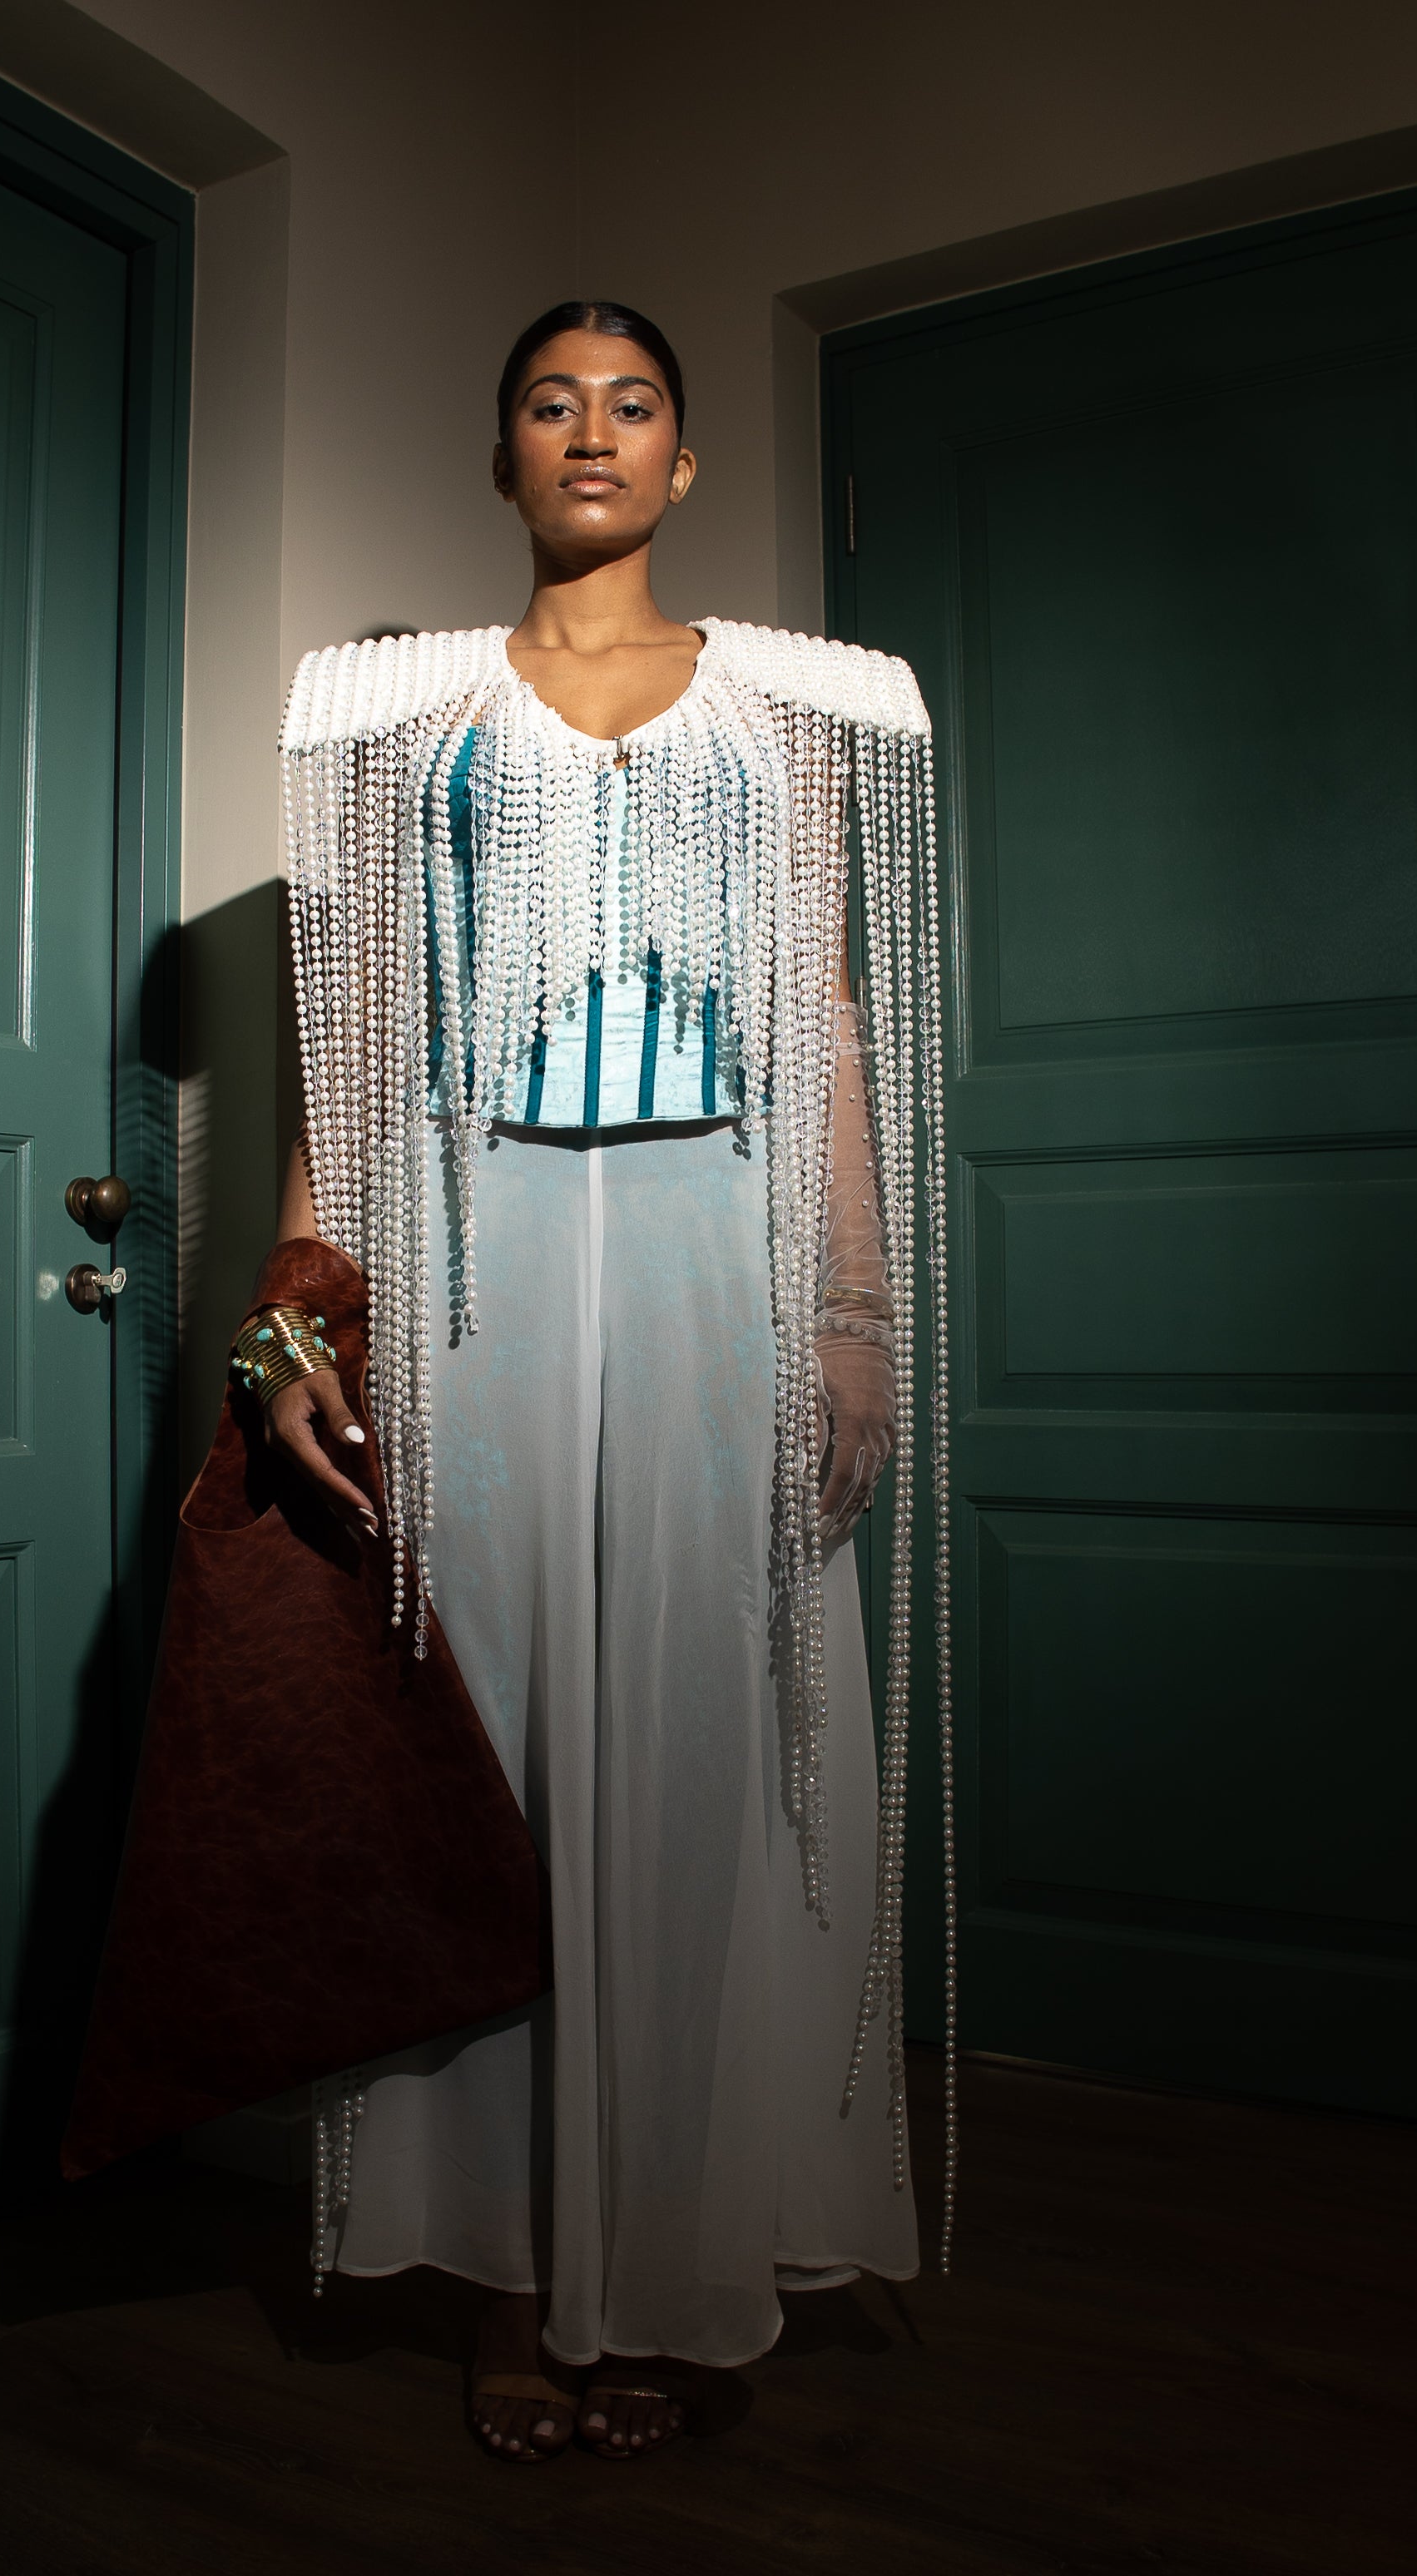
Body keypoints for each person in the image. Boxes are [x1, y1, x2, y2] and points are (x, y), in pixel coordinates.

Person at [254, 301, 951, 2463]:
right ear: (502, 456)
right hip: (467, 1247)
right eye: (550, 402)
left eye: (631, 403)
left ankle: (661, 2250)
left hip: (713, 1235)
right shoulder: (403, 721)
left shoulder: (788, 714)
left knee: (705, 1736)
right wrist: (296, 1310)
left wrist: (853, 1311)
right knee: (490, 1733)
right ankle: (504, 2264)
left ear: (680, 460)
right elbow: (347, 1026)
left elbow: (823, 1009)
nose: (591, 431)